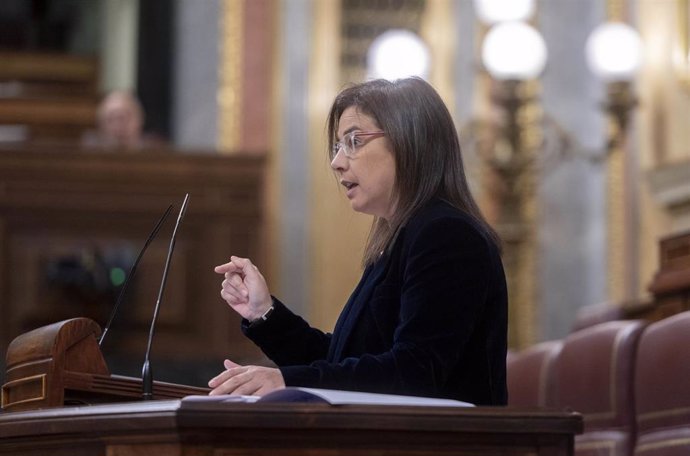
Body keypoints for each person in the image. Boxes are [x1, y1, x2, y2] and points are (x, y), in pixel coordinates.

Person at [208, 77, 508, 405]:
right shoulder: (401, 238)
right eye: (338, 146)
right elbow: (343, 361)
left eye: (353, 141)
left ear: (409, 142)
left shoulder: (448, 236)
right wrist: (263, 313)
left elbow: (414, 373)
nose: (337, 162)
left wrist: (285, 380)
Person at [82, 90, 161, 149]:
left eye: (124, 118)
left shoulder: (155, 152)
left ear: (140, 120)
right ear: (101, 124)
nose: (118, 125)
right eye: (111, 119)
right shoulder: (88, 154)